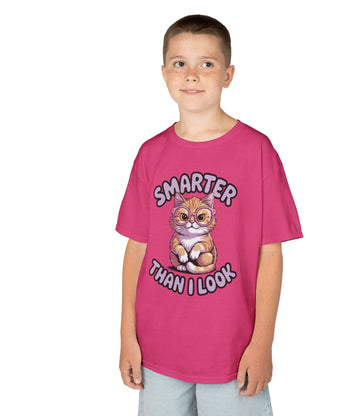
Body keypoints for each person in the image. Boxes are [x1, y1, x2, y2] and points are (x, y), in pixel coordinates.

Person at [115, 14, 303, 416]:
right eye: (180, 63)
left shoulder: (257, 151)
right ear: (164, 74)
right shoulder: (150, 154)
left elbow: (271, 254)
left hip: (233, 353)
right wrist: (127, 336)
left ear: (228, 75)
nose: (192, 75)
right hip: (158, 350)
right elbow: (136, 249)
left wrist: (262, 343)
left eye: (207, 63)